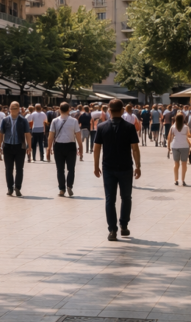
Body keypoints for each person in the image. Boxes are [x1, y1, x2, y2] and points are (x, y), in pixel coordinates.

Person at [93, 99, 141, 241]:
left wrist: (96, 166)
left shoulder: (101, 127)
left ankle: (112, 230)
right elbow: (135, 148)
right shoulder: (129, 127)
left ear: (109, 111)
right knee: (126, 197)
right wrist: (138, 166)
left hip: (108, 167)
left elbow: (97, 148)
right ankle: (124, 225)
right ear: (122, 111)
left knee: (110, 199)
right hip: (126, 167)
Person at [48, 102, 83, 197]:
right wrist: (80, 147)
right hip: (71, 146)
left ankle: (61, 189)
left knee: (60, 169)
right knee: (71, 169)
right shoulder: (74, 121)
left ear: (59, 109)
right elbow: (78, 135)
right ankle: (70, 186)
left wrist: (48, 148)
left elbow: (50, 136)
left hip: (58, 146)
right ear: (69, 110)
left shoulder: (55, 121)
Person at [0, 101, 31, 197]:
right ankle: (10, 188)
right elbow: (1, 134)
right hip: (8, 146)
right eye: (12, 108)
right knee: (8, 168)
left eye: (16, 108)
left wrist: (29, 147)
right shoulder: (5, 120)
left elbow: (27, 134)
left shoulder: (23, 120)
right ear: (9, 109)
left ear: (19, 109)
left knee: (20, 168)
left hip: (20, 146)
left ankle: (18, 187)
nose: (13, 110)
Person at [167, 112, 191, 186]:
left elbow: (169, 138)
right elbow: (188, 136)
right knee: (184, 163)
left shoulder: (173, 127)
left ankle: (176, 180)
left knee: (176, 164)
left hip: (175, 146)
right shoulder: (186, 127)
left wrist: (168, 147)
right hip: (185, 146)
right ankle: (183, 180)